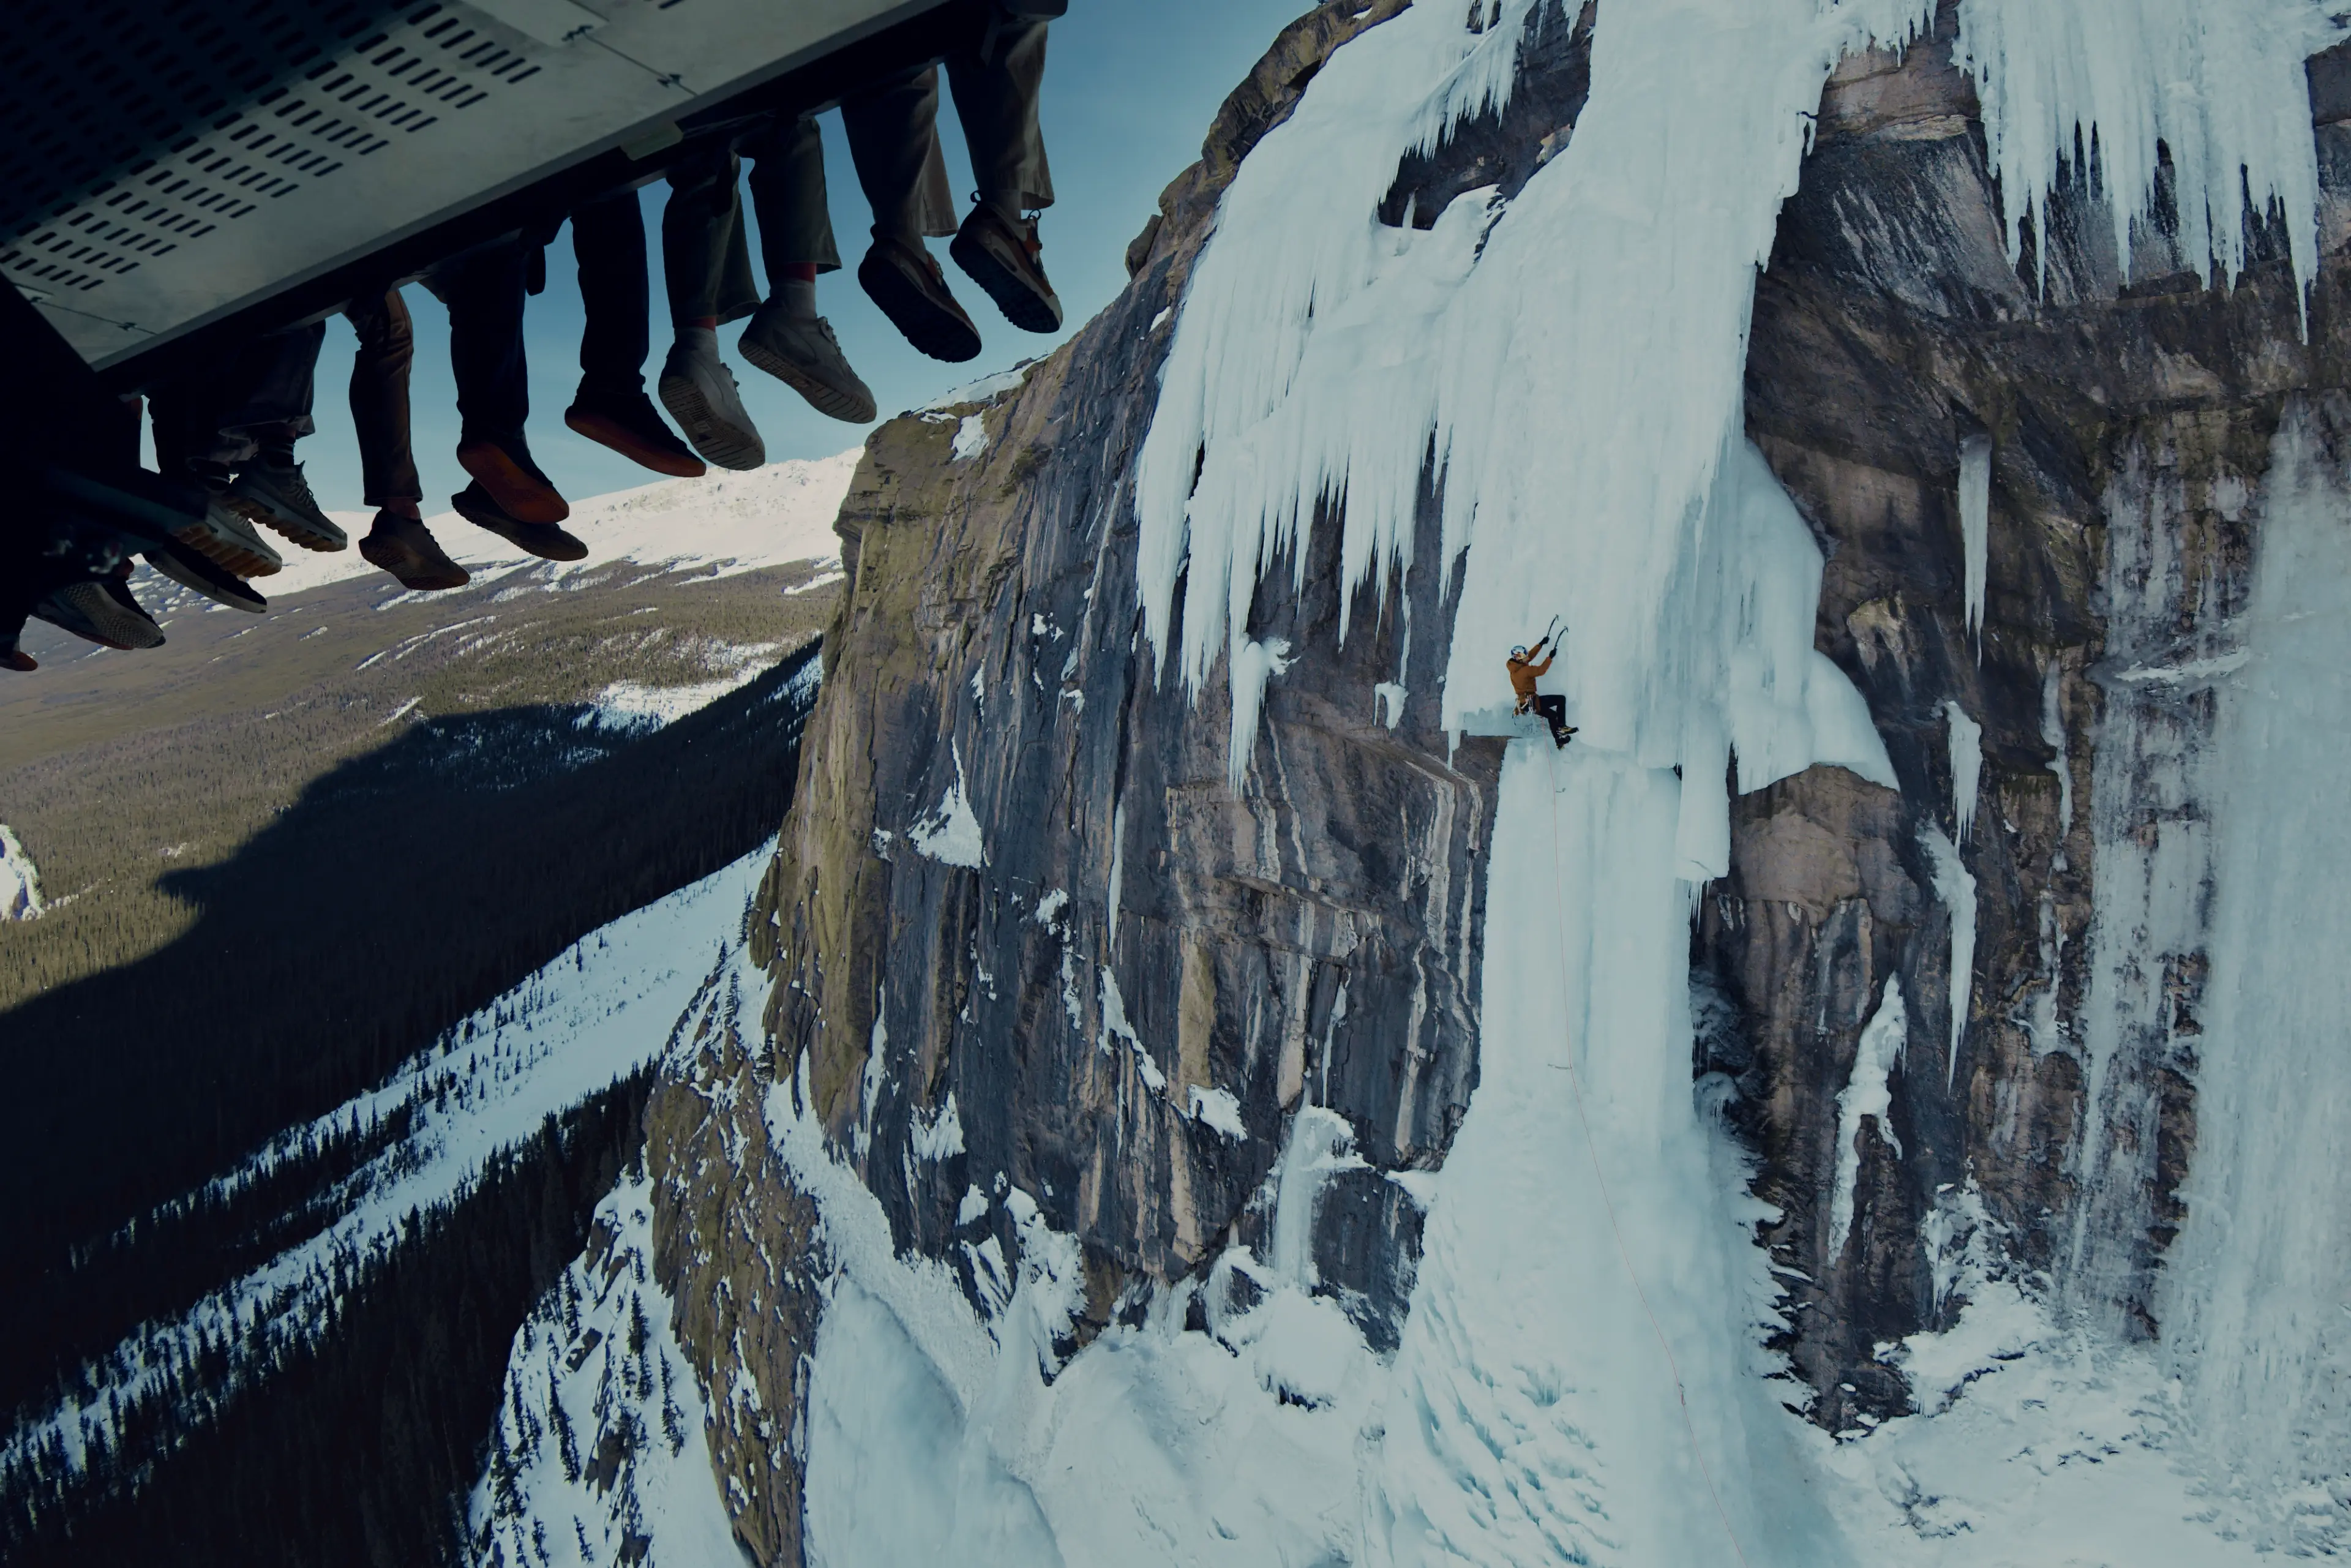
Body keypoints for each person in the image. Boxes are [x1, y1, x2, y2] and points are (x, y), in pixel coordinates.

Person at [1508, 631, 1575, 748]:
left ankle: (1559, 740)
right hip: (1533, 702)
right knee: (1560, 700)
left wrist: (1541, 644)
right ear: (1518, 659)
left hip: (1528, 704)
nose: (1526, 658)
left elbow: (1529, 657)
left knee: (1552, 715)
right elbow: (1541, 670)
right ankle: (1561, 727)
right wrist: (1550, 658)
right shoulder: (1525, 671)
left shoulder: (1514, 668)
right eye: (1523, 657)